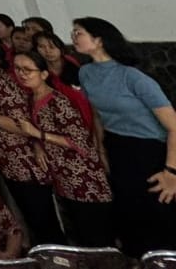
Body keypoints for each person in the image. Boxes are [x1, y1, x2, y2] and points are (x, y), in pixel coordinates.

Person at [71, 17, 176, 255]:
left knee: (158, 212)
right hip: (117, 146)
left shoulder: (133, 77)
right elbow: (97, 115)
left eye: (79, 33)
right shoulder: (86, 73)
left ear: (98, 40)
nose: (73, 37)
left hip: (151, 151)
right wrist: (101, 149)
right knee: (128, 211)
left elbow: (174, 126)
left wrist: (171, 172)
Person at [10, 51, 115, 247]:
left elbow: (80, 141)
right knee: (80, 237)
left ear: (43, 74)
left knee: (97, 238)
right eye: (18, 69)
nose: (22, 74)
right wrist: (37, 144)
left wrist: (37, 134)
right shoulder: (30, 99)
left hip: (84, 180)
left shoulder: (58, 101)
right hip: (63, 180)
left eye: (28, 70)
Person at [0, 35, 63, 245]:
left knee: (42, 219)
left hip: (24, 162)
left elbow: (21, 126)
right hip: (8, 161)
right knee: (31, 218)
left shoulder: (4, 84)